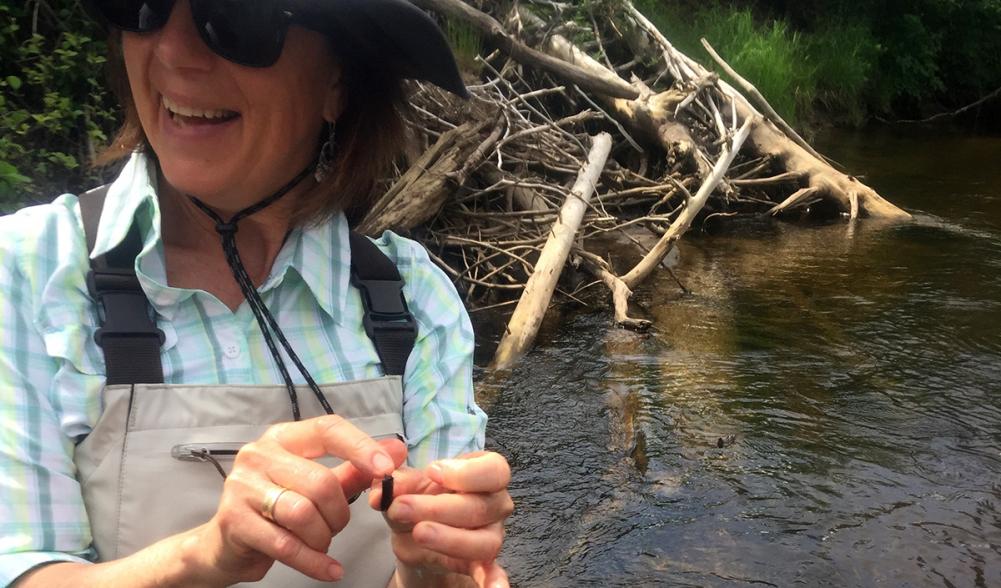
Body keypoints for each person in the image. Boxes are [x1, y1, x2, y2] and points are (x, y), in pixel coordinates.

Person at [0, 1, 512, 587]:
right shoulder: (26, 270)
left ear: (339, 81)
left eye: (235, 18)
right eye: (141, 6)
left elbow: (445, 572)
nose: (172, 52)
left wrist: (440, 565)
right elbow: (20, 568)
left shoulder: (414, 299)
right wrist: (202, 555)